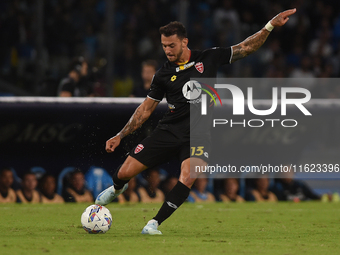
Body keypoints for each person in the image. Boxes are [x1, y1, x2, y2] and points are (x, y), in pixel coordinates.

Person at [95, 9, 296, 235]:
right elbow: (146, 109)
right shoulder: (162, 75)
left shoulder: (207, 58)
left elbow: (245, 48)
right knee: (124, 172)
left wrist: (269, 25)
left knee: (189, 176)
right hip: (169, 130)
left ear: (184, 42)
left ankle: (153, 224)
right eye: (164, 46)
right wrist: (120, 135)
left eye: (171, 45)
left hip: (199, 135)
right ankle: (117, 188)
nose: (167, 50)